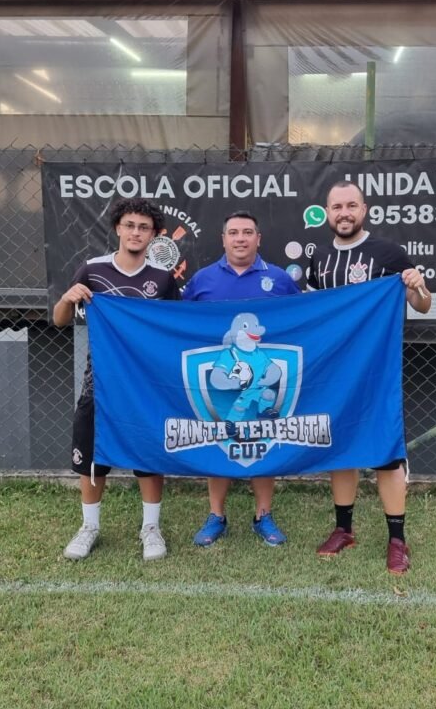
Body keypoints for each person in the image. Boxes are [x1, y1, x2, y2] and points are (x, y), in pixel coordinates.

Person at [306, 180, 432, 575]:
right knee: (340, 446)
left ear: (364, 209)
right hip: (332, 372)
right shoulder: (319, 257)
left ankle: (397, 539)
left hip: (376, 372)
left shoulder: (389, 253)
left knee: (385, 451)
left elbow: (422, 305)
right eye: (336, 206)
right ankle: (344, 529)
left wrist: (416, 287)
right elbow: (312, 314)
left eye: (351, 206)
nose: (344, 213)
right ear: (327, 212)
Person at [54, 197, 181, 562]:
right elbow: (60, 319)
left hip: (147, 383)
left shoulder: (162, 278)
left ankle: (151, 527)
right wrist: (68, 297)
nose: (136, 232)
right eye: (130, 225)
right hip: (101, 383)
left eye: (144, 227)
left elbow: (176, 328)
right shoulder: (93, 270)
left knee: (149, 451)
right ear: (117, 229)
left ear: (154, 235)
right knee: (92, 455)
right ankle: (89, 526)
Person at [183, 210, 300, 547]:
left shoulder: (279, 279)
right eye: (233, 232)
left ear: (258, 239)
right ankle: (216, 515)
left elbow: (304, 321)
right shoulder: (202, 280)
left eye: (247, 232)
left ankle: (263, 515)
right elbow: (179, 323)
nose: (240, 238)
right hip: (219, 383)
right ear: (223, 239)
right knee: (219, 440)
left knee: (262, 443)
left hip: (264, 381)